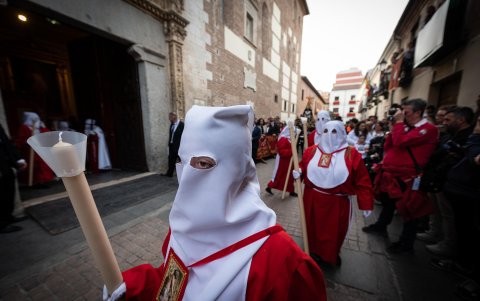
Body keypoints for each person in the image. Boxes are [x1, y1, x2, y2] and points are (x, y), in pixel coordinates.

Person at [103, 105, 327, 301]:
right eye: (182, 161)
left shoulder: (282, 261)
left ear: (237, 167)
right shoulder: (183, 225)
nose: (189, 175)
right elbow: (173, 284)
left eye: (202, 162)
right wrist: (133, 286)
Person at [362, 99, 439, 253]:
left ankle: (406, 243)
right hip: (391, 174)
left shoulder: (428, 129)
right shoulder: (404, 127)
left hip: (408, 177)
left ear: (418, 112)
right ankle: (381, 225)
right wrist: (395, 127)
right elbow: (389, 145)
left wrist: (398, 125)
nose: (403, 115)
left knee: (409, 209)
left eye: (407, 112)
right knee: (388, 202)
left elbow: (400, 142)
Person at [294, 120, 373, 266]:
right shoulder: (311, 151)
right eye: (326, 131)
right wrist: (299, 172)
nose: (329, 135)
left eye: (335, 131)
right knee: (312, 227)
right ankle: (313, 251)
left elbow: (363, 181)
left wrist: (366, 203)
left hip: (337, 203)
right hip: (312, 198)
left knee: (333, 232)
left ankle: (330, 255)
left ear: (343, 133)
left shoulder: (352, 154)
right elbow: (303, 166)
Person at [418, 107, 474, 257]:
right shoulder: (449, 135)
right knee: (436, 210)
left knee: (448, 215)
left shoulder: (468, 138)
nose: (444, 122)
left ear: (461, 120)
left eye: (448, 120)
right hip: (438, 178)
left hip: (451, 182)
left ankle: (448, 244)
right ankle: (434, 232)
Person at [15, 112, 54, 187]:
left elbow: (47, 135)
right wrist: (28, 142)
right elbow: (21, 139)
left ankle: (45, 180)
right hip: (31, 151)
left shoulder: (40, 127)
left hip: (42, 149)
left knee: (44, 165)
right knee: (35, 167)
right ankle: (37, 182)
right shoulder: (24, 128)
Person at [1, 124, 27, 233]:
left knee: (8, 193)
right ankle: (2, 224)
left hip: (5, 165)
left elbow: (6, 143)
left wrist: (17, 159)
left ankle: (8, 217)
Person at [265, 125, 297, 197]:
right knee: (279, 176)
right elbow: (281, 151)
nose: (294, 133)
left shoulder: (290, 139)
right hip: (283, 162)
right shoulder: (283, 139)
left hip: (289, 161)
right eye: (293, 131)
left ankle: (291, 190)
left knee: (290, 176)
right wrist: (292, 151)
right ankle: (269, 187)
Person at [163, 112, 184, 177]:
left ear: (174, 117)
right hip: (172, 146)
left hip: (179, 146)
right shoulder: (172, 124)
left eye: (170, 117)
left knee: (181, 161)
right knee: (171, 160)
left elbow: (184, 136)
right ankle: (169, 174)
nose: (169, 119)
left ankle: (184, 175)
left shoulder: (182, 125)